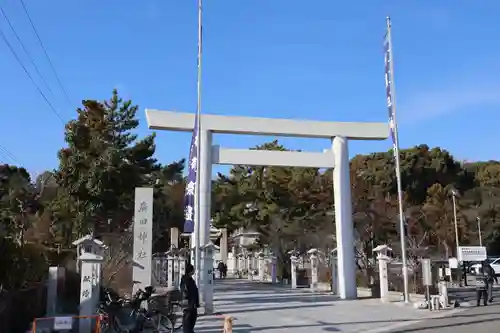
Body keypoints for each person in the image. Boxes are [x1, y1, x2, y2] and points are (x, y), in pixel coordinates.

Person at [180, 263, 199, 333]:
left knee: (191, 324)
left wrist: (196, 303)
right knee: (187, 325)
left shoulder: (190, 279)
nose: (194, 271)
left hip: (192, 305)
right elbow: (184, 293)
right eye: (193, 269)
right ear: (190, 271)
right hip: (189, 306)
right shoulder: (186, 280)